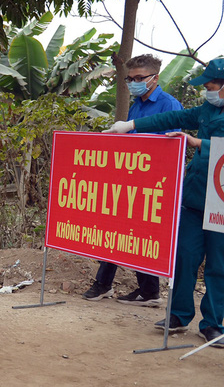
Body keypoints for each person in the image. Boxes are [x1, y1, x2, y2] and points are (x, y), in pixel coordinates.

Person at [104, 57, 224, 348]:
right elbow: (170, 119)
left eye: (210, 85)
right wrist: (131, 124)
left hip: (220, 198)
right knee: (184, 256)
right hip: (195, 196)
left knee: (218, 265)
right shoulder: (208, 108)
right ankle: (179, 315)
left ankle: (213, 324)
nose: (206, 89)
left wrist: (199, 144)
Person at [83, 54, 182, 306]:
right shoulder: (136, 104)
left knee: (142, 235)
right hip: (130, 180)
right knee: (118, 229)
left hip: (155, 185)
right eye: (130, 78)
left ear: (155, 78)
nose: (134, 82)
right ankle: (114, 285)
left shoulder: (170, 105)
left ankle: (144, 290)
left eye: (139, 78)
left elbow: (170, 146)